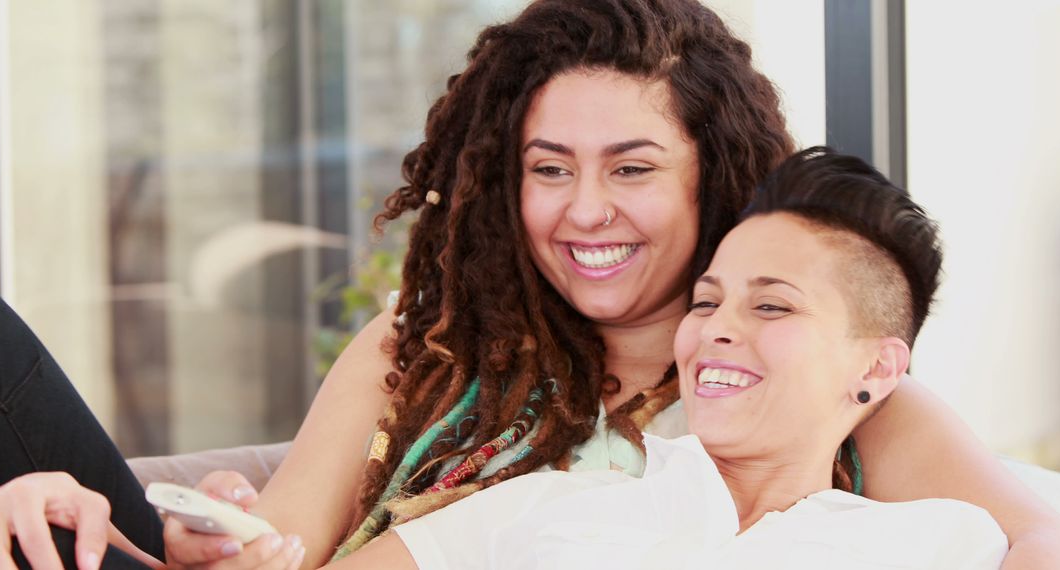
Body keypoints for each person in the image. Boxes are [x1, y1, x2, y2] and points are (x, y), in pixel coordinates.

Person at [0, 0, 1060, 569]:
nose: (583, 211)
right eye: (550, 170)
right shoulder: (422, 349)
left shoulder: (835, 398)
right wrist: (209, 531)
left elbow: (1039, 536)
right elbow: (282, 551)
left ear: (714, 179)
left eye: (632, 169)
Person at [332, 147, 1010, 569]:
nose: (717, 329)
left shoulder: (939, 545)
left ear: (877, 369)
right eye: (707, 302)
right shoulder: (546, 508)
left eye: (772, 306)